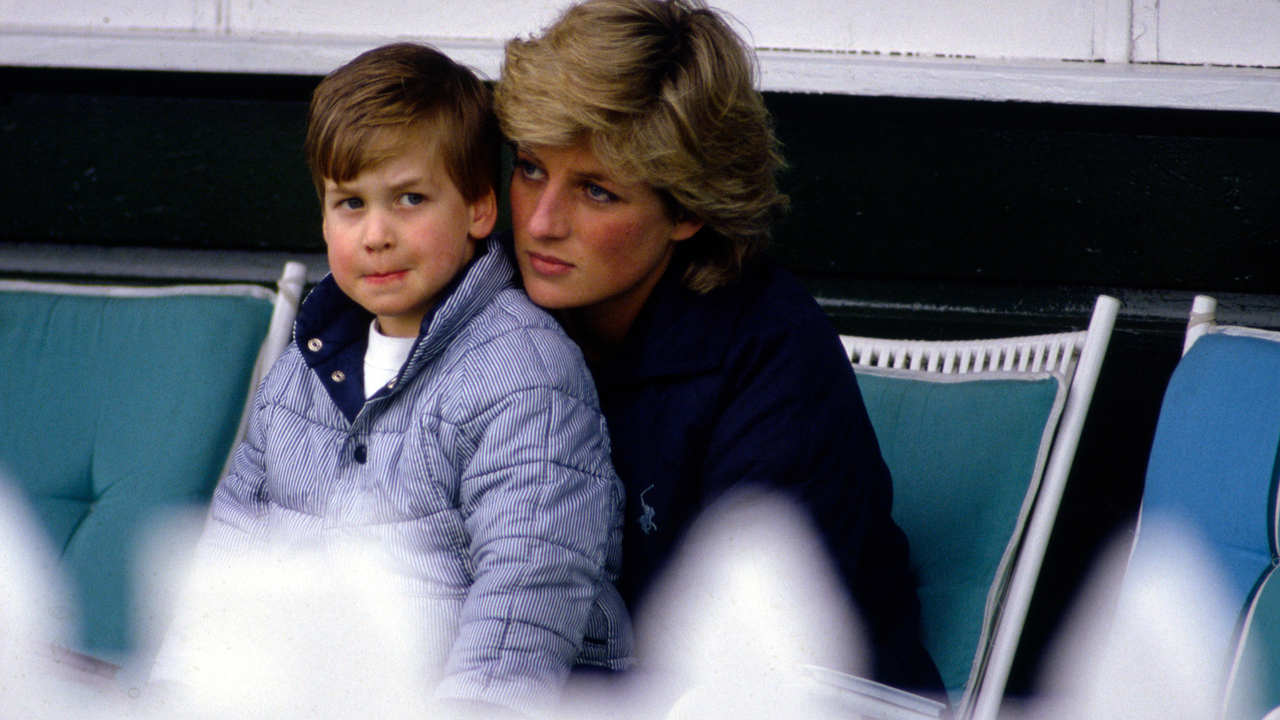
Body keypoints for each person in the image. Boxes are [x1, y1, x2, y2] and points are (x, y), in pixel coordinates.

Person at [155, 43, 633, 717]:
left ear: (478, 209)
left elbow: (530, 578)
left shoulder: (524, 373)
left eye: (409, 198)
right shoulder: (304, 367)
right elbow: (236, 541)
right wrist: (185, 686)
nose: (376, 233)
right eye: (350, 203)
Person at [494, 0, 946, 697]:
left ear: (687, 210)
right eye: (529, 169)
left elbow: (748, 663)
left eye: (596, 191)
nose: (543, 222)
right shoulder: (492, 304)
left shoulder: (775, 365)